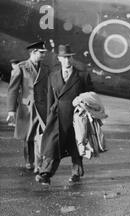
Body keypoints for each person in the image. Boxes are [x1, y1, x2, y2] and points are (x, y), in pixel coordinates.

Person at [35, 44, 93, 185]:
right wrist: (49, 118)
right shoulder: (53, 76)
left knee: (75, 146)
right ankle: (46, 173)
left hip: (75, 117)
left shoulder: (82, 76)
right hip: (57, 116)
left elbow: (90, 96)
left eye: (69, 57)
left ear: (72, 58)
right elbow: (50, 99)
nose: (67, 60)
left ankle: (76, 173)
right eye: (64, 58)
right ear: (59, 59)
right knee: (52, 145)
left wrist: (85, 111)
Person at [6, 41, 49, 173]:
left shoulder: (46, 68)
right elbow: (12, 90)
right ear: (33, 52)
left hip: (42, 108)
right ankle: (29, 161)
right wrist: (11, 111)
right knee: (28, 136)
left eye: (44, 53)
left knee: (41, 136)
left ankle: (39, 163)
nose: (43, 55)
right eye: (41, 53)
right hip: (27, 108)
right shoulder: (21, 67)